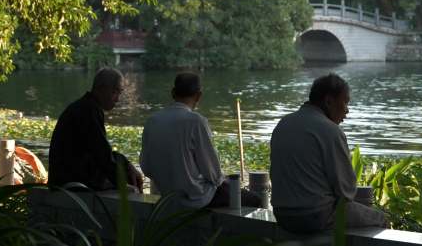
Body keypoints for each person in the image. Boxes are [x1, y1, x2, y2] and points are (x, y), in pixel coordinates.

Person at [270, 73, 387, 233]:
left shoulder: (283, 123)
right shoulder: (330, 130)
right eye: (345, 102)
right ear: (329, 101)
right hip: (315, 216)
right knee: (380, 220)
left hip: (282, 215)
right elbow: (346, 192)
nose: (347, 110)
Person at [140, 72, 261, 209]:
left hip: (168, 198)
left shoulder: (152, 121)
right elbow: (213, 174)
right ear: (199, 96)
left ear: (173, 93)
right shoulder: (196, 122)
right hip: (197, 199)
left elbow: (146, 167)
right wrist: (225, 181)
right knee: (255, 200)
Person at [48, 68, 143, 192]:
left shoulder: (85, 106)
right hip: (71, 182)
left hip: (67, 176)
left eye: (119, 93)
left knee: (126, 171)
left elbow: (102, 151)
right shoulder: (89, 110)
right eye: (115, 92)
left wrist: (128, 165)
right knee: (131, 186)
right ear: (101, 88)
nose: (117, 99)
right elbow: (101, 154)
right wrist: (121, 184)